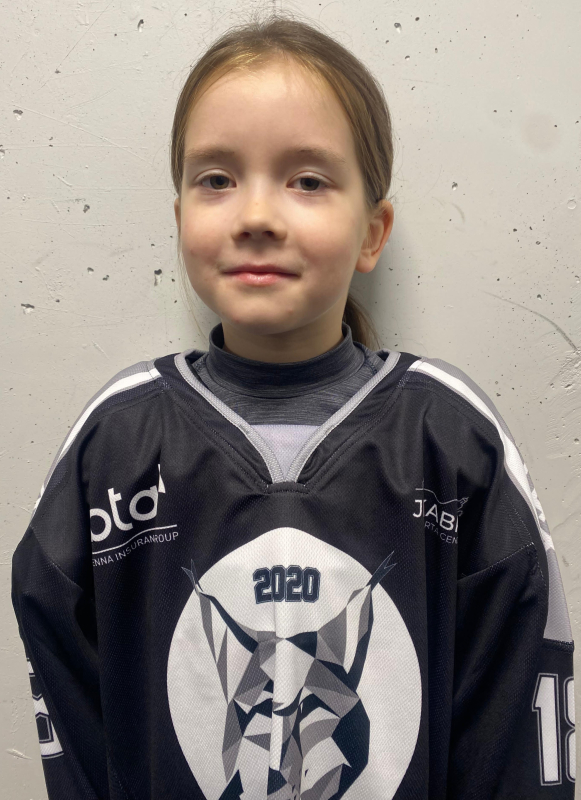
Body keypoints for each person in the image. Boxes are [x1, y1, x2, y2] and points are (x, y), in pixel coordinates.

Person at [11, 10, 575, 800]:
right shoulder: (115, 442)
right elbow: (68, 693)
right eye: (216, 179)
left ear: (371, 232)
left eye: (307, 180)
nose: (255, 217)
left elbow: (516, 707)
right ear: (179, 218)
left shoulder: (451, 438)